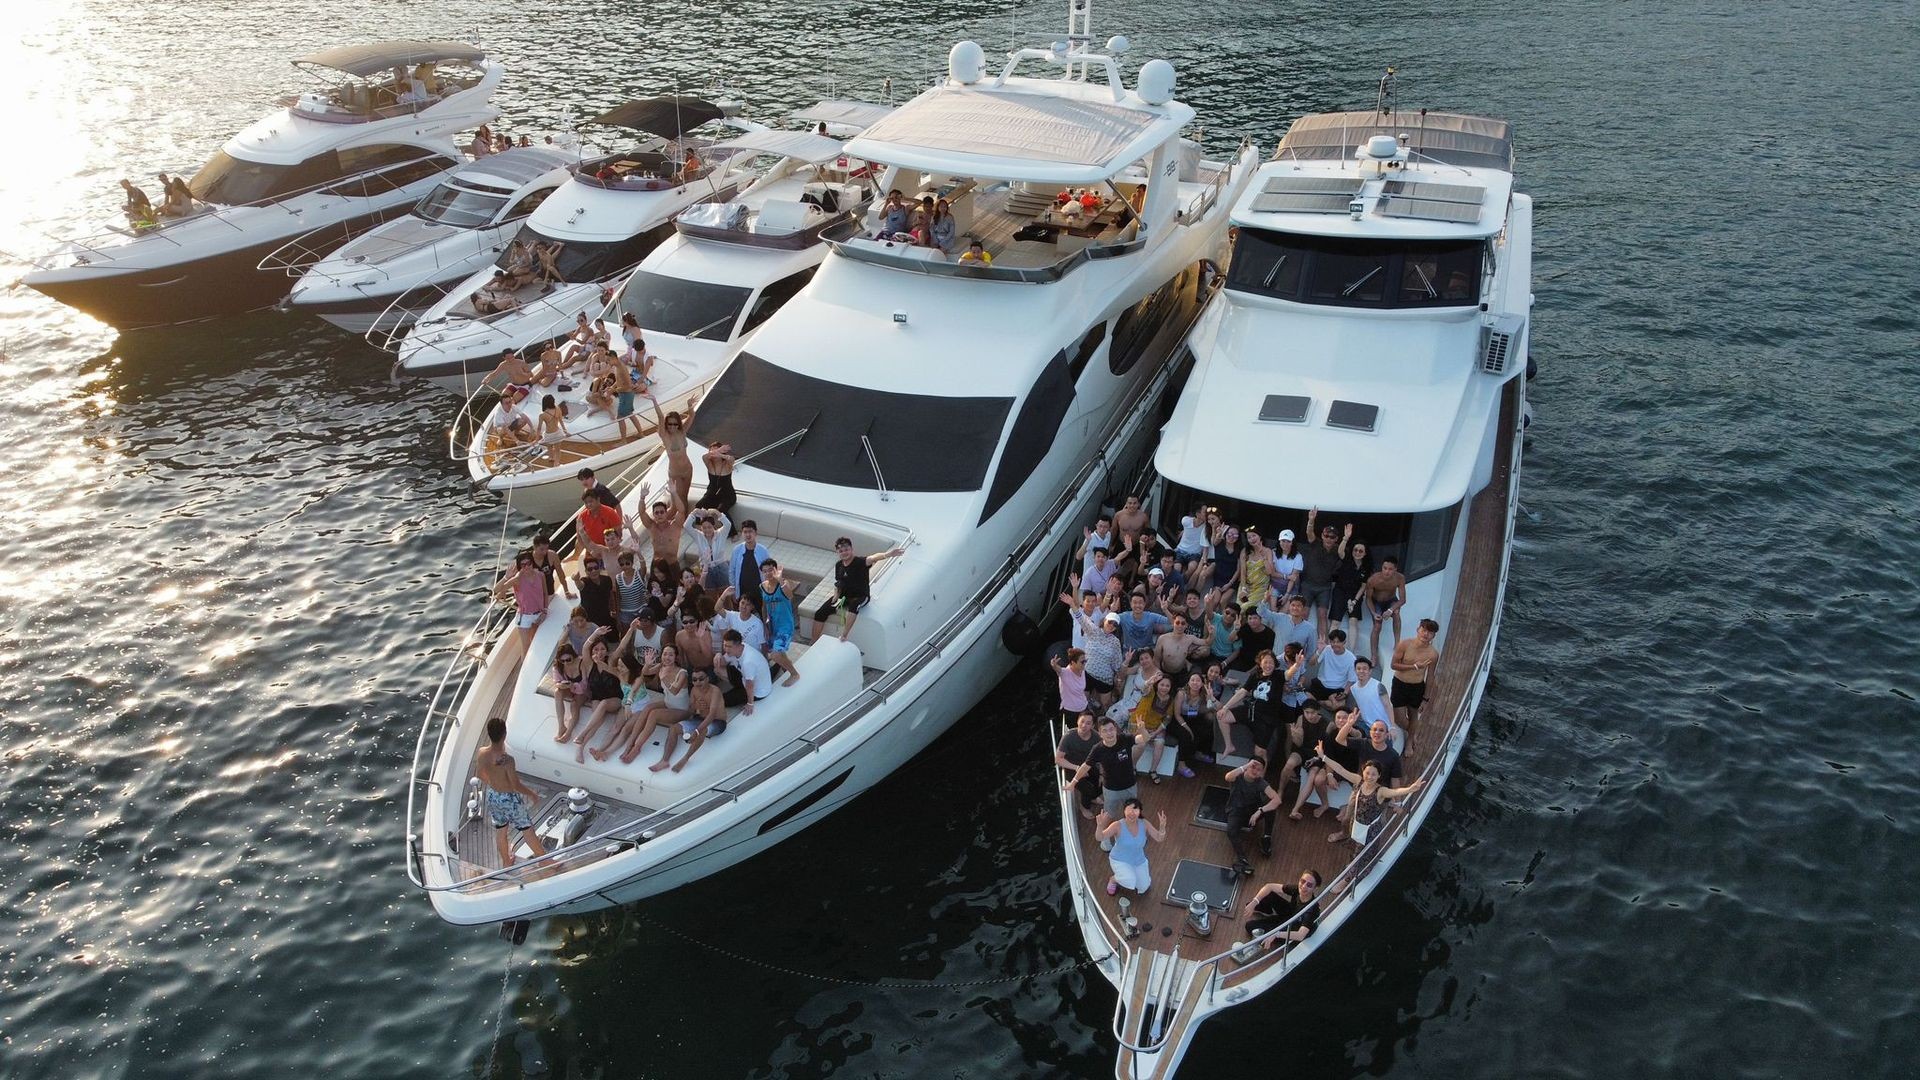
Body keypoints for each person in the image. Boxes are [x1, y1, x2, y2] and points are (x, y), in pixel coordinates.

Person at [474, 717, 549, 868]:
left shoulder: (482, 753)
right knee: (527, 829)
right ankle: (545, 861)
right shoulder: (507, 760)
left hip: (493, 795)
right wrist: (531, 794)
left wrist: (494, 783)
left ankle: (506, 862)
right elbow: (515, 785)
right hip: (509, 799)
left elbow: (480, 774)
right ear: (504, 735)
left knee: (501, 829)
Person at [1317, 751, 1424, 845]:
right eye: (1367, 773)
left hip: (1370, 830)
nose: (1369, 777)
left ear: (1379, 776)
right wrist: (1323, 757)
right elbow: (1340, 769)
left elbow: (1395, 791)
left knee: (1364, 852)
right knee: (1354, 845)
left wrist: (1410, 789)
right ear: (1363, 772)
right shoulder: (1359, 781)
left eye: (1373, 774)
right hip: (1356, 823)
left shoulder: (1380, 791)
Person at [810, 538, 906, 640]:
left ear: (851, 549)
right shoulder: (839, 565)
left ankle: (844, 635)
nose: (844, 553)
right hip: (844, 597)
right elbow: (838, 583)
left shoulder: (860, 562)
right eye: (841, 551)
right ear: (837, 552)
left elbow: (873, 558)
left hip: (860, 596)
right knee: (820, 613)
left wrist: (887, 555)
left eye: (846, 549)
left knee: (853, 606)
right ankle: (814, 641)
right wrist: (836, 595)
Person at [1065, 718, 1140, 843]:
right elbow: (1085, 766)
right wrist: (1073, 782)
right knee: (1108, 814)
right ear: (1100, 734)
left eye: (1111, 729)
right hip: (1111, 790)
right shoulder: (1098, 749)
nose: (1109, 733)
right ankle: (1104, 838)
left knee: (1132, 811)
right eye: (1105, 731)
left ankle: (1134, 835)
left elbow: (1143, 739)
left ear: (1115, 729)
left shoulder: (1125, 739)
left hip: (1130, 786)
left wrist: (1142, 729)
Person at [1291, 707, 1363, 819]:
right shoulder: (1330, 734)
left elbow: (1358, 735)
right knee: (1318, 780)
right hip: (1335, 767)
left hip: (1353, 770)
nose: (1341, 720)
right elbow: (1328, 757)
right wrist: (1329, 775)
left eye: (1345, 718)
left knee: (1364, 790)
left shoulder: (1357, 732)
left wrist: (1350, 725)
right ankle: (1324, 804)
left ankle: (1346, 807)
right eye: (1338, 718)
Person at [654, 665, 728, 772]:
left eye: (701, 679)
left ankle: (685, 758)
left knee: (703, 730)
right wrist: (696, 706)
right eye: (694, 680)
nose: (698, 682)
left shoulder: (714, 691)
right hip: (699, 719)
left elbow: (712, 715)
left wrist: (696, 731)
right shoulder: (694, 690)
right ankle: (664, 760)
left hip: (717, 722)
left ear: (707, 678)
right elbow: (691, 711)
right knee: (674, 728)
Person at [1217, 648, 1285, 760]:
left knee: (1260, 752)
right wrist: (1225, 707)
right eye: (1265, 662)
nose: (1268, 665)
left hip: (1267, 718)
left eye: (1271, 662)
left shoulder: (1278, 676)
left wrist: (1297, 665)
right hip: (1251, 711)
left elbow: (1289, 674)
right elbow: (1242, 692)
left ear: (1275, 664)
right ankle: (1229, 746)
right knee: (1222, 716)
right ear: (1260, 663)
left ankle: (1261, 775)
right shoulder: (1255, 676)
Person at [1221, 757, 1281, 876]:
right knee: (1231, 831)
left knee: (1271, 809)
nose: (1255, 771)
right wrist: (1245, 766)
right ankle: (1242, 859)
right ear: (1248, 766)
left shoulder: (1260, 783)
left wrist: (1260, 810)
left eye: (1259, 769)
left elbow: (1277, 800)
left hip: (1252, 811)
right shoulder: (1238, 776)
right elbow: (1228, 777)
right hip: (1236, 811)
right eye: (1253, 767)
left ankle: (1266, 837)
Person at [1097, 798, 1167, 897]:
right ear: (1124, 811)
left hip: (1138, 860)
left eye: (1135, 810)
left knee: (1144, 887)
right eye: (1129, 810)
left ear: (1139, 812)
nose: (1132, 813)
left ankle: (1129, 875)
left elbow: (1159, 838)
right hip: (1120, 859)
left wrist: (1162, 827)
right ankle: (1113, 879)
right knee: (1129, 879)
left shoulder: (1144, 823)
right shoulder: (1117, 825)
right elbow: (1100, 837)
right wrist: (1100, 826)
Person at [1242, 870, 1321, 945]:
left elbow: (1300, 935)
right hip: (1290, 914)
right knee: (1270, 894)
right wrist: (1254, 902)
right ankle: (1266, 909)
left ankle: (1271, 932)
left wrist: (1276, 934)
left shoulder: (1312, 909)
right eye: (1302, 881)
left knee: (1250, 926)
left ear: (1315, 888)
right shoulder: (1297, 889)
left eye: (1309, 885)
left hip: (1292, 928)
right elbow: (1269, 886)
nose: (1304, 886)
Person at [1300, 511, 1349, 633]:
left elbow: (1342, 554)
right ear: (1322, 535)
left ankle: (1322, 643)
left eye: (1332, 537)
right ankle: (1301, 640)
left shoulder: (1338, 549)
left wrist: (1346, 538)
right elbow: (1309, 533)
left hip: (1324, 587)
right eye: (1326, 536)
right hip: (1308, 584)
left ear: (1336, 539)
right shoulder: (1315, 543)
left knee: (1322, 615)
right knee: (1304, 613)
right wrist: (1311, 520)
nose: (1328, 538)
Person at [756, 559, 802, 686]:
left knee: (775, 655)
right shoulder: (762, 586)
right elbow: (764, 606)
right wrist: (765, 624)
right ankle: (787, 668)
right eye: (765, 571)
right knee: (779, 652)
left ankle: (794, 674)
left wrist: (780, 579)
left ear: (775, 570)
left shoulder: (783, 583)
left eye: (770, 570)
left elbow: (790, 596)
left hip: (785, 625)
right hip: (773, 625)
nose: (768, 573)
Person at [1390, 618, 1441, 730]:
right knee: (1399, 719)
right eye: (1424, 630)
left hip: (1417, 687)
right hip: (1400, 684)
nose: (1426, 634)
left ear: (1433, 636)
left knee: (1414, 717)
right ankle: (1413, 735)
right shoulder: (1404, 644)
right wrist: (1414, 666)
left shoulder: (1433, 654)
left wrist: (1426, 699)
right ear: (1418, 629)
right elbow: (1393, 665)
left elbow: (1430, 676)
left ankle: (1409, 743)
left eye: (1430, 632)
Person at [650, 393, 698, 507]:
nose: (672, 426)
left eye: (675, 424)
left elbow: (692, 416)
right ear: (666, 424)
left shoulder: (682, 431)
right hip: (675, 473)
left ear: (679, 424)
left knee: (684, 499)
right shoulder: (664, 436)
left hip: (688, 469)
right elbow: (661, 417)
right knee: (678, 502)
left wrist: (689, 406)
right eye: (669, 424)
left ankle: (684, 522)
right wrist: (654, 401)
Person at [493, 552, 547, 653]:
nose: (527, 567)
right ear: (520, 566)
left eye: (529, 563)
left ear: (532, 562)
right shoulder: (517, 580)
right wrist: (506, 577)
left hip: (539, 614)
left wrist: (545, 611)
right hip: (525, 617)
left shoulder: (540, 575)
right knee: (526, 647)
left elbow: (545, 594)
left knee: (536, 642)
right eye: (523, 565)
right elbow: (496, 590)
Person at [1055, 712, 1102, 820]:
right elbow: (1058, 759)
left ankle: (1093, 797)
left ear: (1093, 726)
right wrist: (1077, 768)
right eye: (1082, 722)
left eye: (1088, 723)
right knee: (1087, 789)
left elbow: (1103, 754)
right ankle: (1084, 807)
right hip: (1071, 768)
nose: (1084, 725)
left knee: (1099, 781)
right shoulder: (1068, 737)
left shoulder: (1096, 737)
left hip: (1088, 765)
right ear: (1077, 721)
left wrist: (1102, 773)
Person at [715, 628, 772, 713]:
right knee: (717, 670)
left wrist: (750, 704)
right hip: (744, 677)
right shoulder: (736, 650)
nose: (726, 649)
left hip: (758, 691)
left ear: (738, 644)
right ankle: (739, 688)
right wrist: (718, 655)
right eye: (725, 645)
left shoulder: (747, 662)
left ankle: (739, 691)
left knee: (722, 700)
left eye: (729, 646)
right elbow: (722, 663)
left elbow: (750, 685)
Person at [1363, 556, 1407, 662]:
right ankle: (1374, 655)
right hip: (1376, 602)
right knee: (1377, 625)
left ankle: (1397, 644)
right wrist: (1373, 613)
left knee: (1396, 614)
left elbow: (1402, 600)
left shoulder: (1400, 578)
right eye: (1385, 568)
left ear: (1395, 569)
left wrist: (1390, 610)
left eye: (1390, 569)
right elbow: (1368, 599)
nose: (1387, 571)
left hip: (1390, 600)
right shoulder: (1373, 579)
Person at [1173, 671, 1221, 765]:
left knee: (1206, 728)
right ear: (1188, 682)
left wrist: (1211, 696)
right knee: (1186, 735)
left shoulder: (1203, 694)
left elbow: (1219, 707)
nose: (1195, 683)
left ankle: (1198, 753)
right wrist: (1187, 728)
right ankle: (1181, 764)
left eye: (1198, 681)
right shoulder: (1181, 693)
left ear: (1202, 683)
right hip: (1179, 719)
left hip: (1192, 716)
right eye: (1193, 680)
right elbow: (1177, 713)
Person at [1329, 539, 1372, 644]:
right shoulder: (1347, 560)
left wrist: (1355, 601)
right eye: (1355, 550)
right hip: (1340, 592)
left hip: (1355, 595)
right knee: (1335, 622)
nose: (1357, 553)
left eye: (1360, 551)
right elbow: (1340, 552)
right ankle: (1331, 647)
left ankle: (1351, 652)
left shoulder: (1366, 568)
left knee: (1353, 621)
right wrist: (1346, 538)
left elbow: (1363, 586)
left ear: (1365, 553)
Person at [683, 507, 733, 592]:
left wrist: (716, 512)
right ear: (701, 528)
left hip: (721, 567)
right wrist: (694, 512)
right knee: (710, 593)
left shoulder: (721, 534)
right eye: (704, 527)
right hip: (706, 569)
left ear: (713, 526)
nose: (707, 530)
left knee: (725, 593)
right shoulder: (698, 535)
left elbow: (728, 524)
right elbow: (686, 526)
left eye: (709, 527)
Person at [1114, 593, 1170, 660]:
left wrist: (1165, 610)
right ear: (1130, 604)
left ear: (1144, 604)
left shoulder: (1151, 616)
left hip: (1147, 650)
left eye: (1140, 603)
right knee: (1123, 668)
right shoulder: (1124, 616)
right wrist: (1112, 611)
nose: (1137, 605)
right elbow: (1106, 622)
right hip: (1129, 651)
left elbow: (1172, 622)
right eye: (1135, 602)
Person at [1348, 658, 1394, 740]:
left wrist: (1392, 727)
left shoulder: (1378, 686)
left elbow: (1388, 706)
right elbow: (1358, 705)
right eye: (1358, 669)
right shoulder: (1353, 688)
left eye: (1365, 669)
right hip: (1366, 726)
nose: (1361, 671)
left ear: (1370, 671)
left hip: (1383, 727)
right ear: (1355, 670)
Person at [576, 489, 624, 568]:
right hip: (592, 554)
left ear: (598, 499)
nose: (588, 504)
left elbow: (618, 534)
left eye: (591, 501)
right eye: (586, 503)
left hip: (610, 551)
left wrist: (608, 550)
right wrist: (591, 551)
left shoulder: (610, 512)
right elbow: (579, 538)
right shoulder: (581, 517)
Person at [1309, 629, 1358, 701]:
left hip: (1337, 688)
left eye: (1338, 642)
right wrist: (1318, 651)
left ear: (1344, 642)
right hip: (1321, 683)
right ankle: (1322, 702)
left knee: (1336, 705)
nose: (1335, 644)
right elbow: (1311, 663)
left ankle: (1319, 702)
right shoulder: (1327, 649)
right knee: (1304, 697)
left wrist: (1345, 693)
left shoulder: (1352, 658)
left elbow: (1351, 680)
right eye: (1333, 642)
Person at [727, 519, 772, 593]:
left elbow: (769, 571)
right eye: (745, 532)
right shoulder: (736, 550)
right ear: (742, 534)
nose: (748, 535)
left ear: (755, 533)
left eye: (750, 531)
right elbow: (732, 571)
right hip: (742, 590)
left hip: (759, 590)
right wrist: (733, 590)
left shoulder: (763, 551)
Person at [575, 554, 617, 631]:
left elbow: (611, 597)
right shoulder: (584, 582)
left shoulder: (607, 580)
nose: (593, 571)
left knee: (615, 639)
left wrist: (613, 610)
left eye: (596, 568)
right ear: (586, 571)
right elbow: (579, 586)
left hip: (607, 617)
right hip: (592, 623)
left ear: (599, 568)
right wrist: (576, 580)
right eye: (590, 569)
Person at [1051, 648, 1090, 725]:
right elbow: (1058, 670)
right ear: (1073, 662)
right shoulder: (1065, 673)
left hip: (1083, 706)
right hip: (1071, 712)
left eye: (1085, 661)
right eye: (1082, 662)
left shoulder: (1082, 671)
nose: (1085, 664)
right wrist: (1054, 665)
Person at [696, 442, 737, 514]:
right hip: (712, 493)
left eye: (716, 450)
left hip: (727, 495)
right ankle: (698, 524)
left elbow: (732, 459)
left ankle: (728, 525)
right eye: (711, 451)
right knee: (699, 506)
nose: (714, 453)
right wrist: (718, 450)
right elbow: (704, 457)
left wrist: (720, 454)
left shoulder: (727, 464)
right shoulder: (709, 464)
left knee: (721, 510)